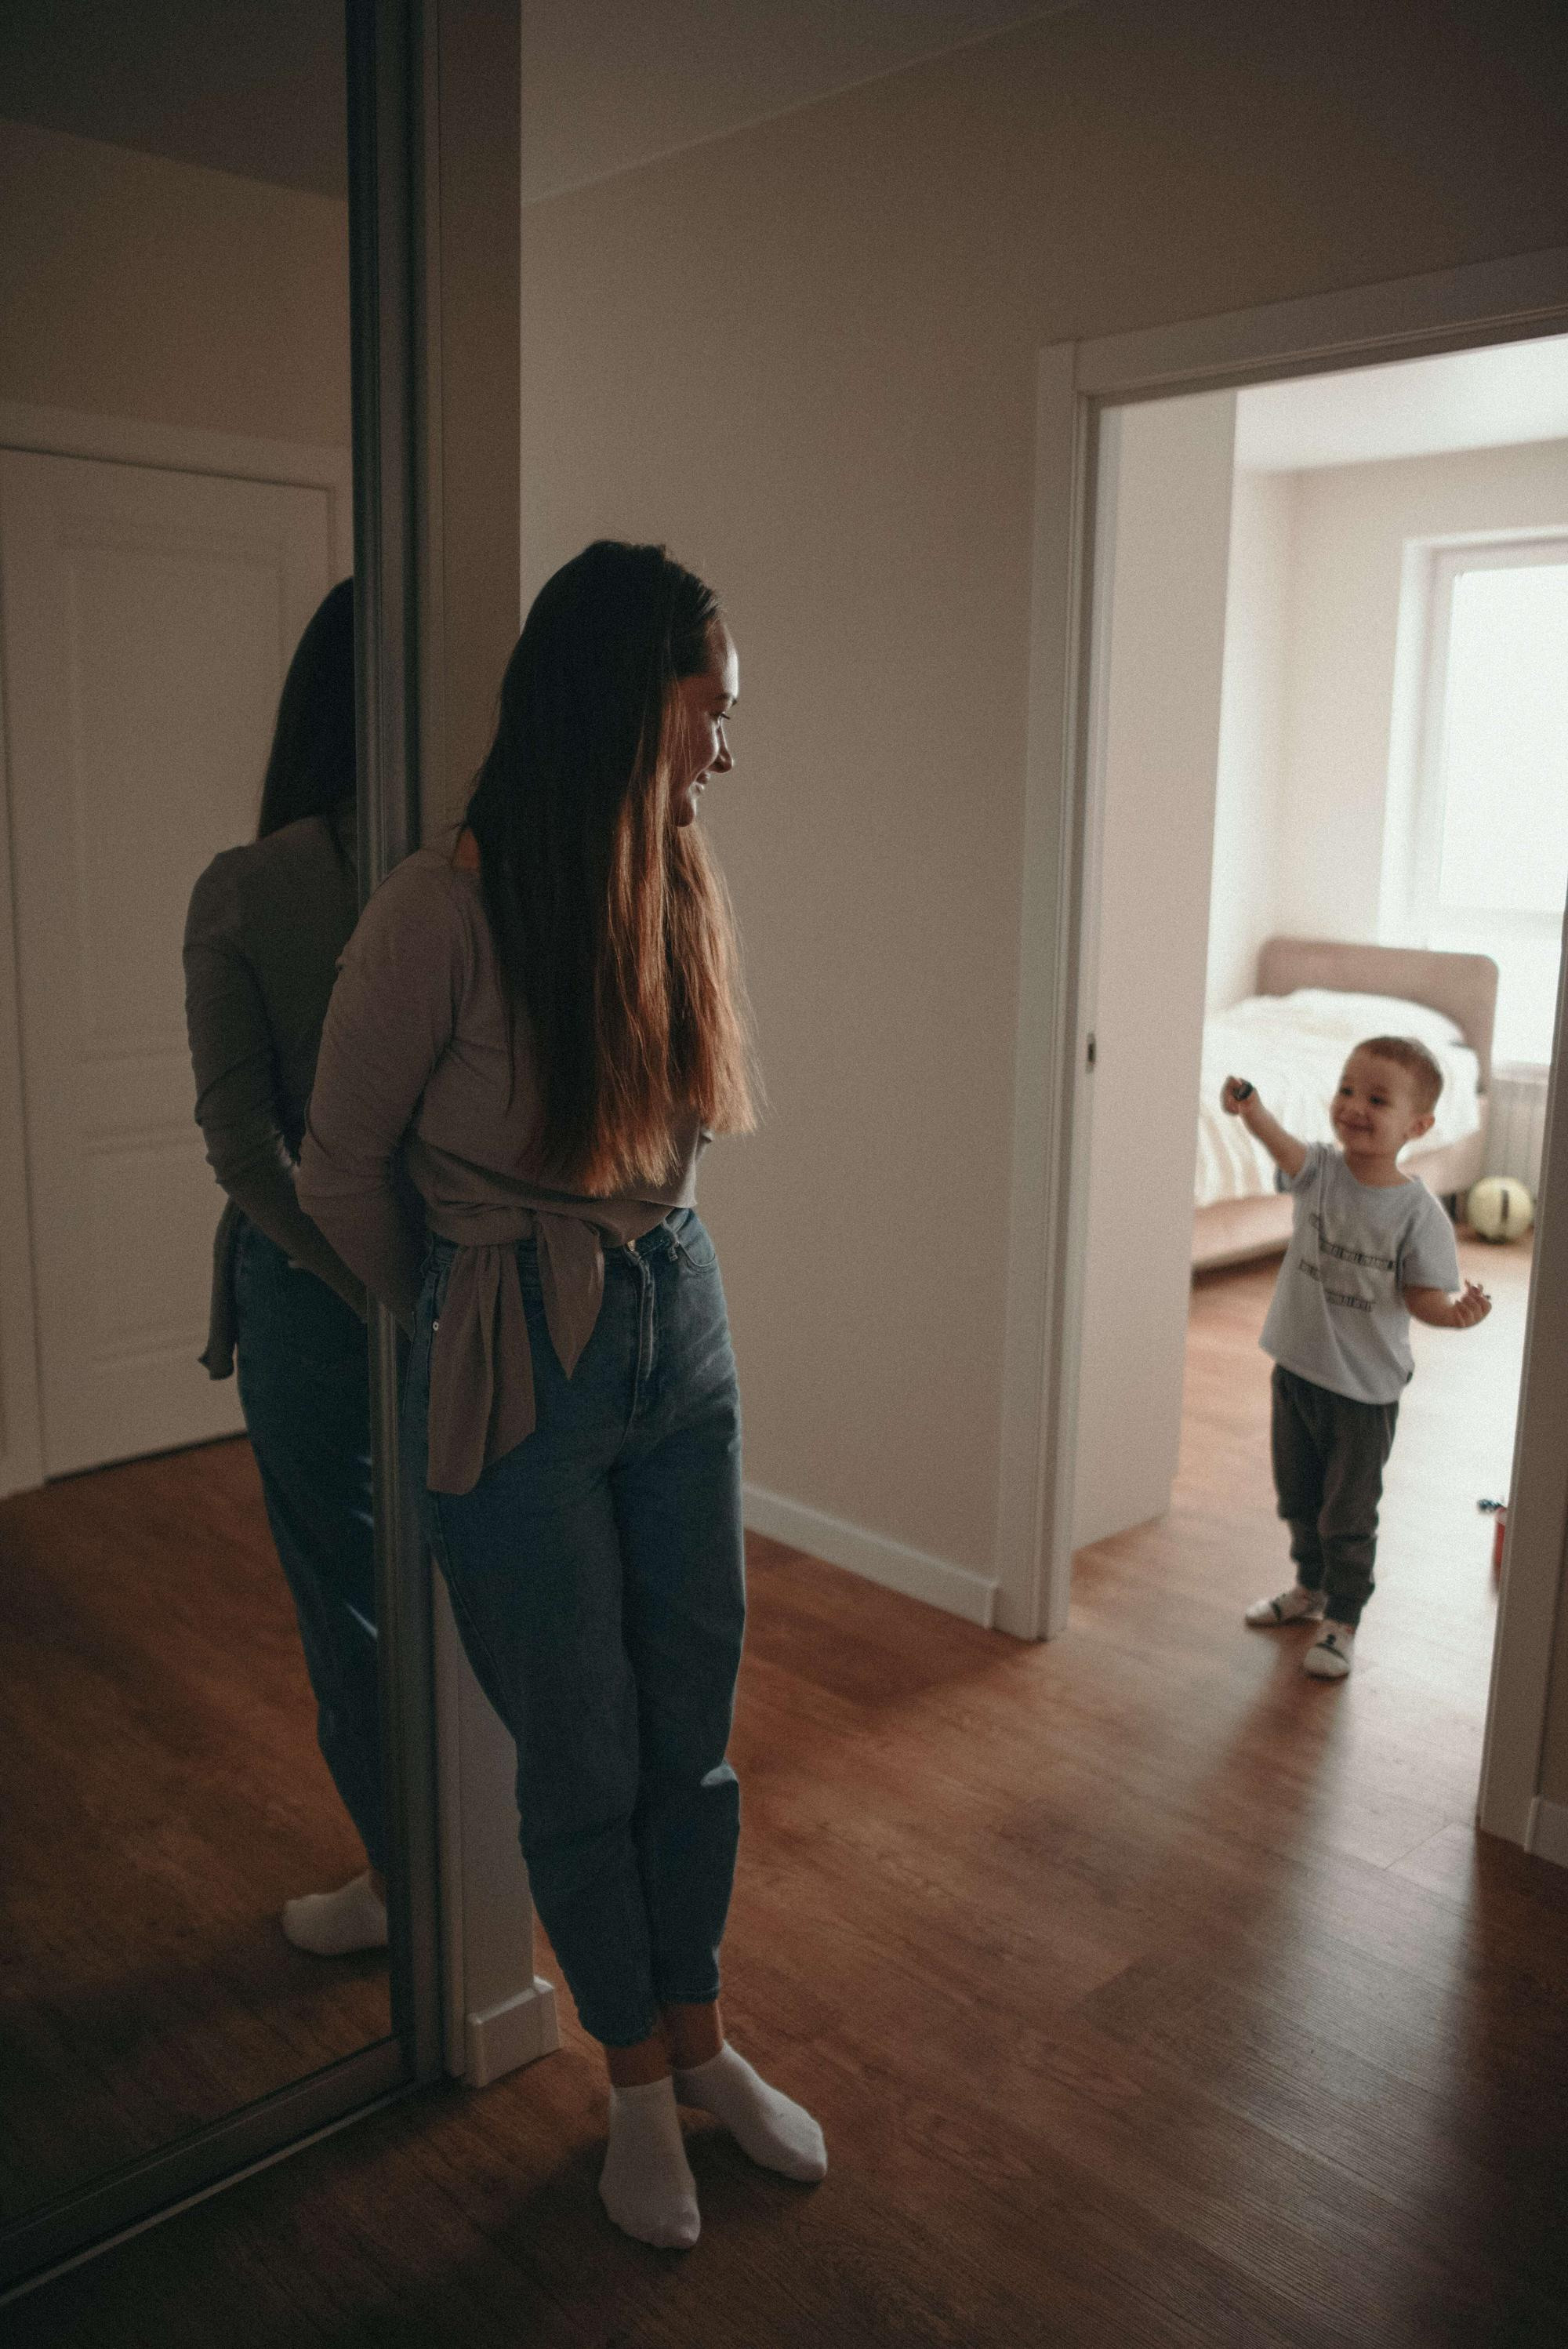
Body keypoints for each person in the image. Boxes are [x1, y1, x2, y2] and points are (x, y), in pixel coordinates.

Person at [297, 539, 826, 2249]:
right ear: (622, 701)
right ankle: (626, 2088)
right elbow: (337, 1174)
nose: (723, 752)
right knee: (584, 1748)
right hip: (513, 1348)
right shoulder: (430, 916)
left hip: (680, 1319)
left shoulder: (669, 876)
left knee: (695, 1723)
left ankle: (701, 2050)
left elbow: (666, 1140)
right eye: (707, 712)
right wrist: (451, 1304)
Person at [183, 578, 388, 1958]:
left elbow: (243, 1149)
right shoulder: (465, 869)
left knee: (352, 1605)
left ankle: (409, 1886)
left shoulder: (251, 887)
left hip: (323, 1302)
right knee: (436, 1597)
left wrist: (350, 1278)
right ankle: (440, 1884)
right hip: (430, 1282)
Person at [1221, 1036, 1491, 1679]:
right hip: (1296, 1371)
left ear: (1418, 1125)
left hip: (1364, 1395)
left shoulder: (1418, 1213)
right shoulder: (1317, 1170)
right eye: (1347, 1090)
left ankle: (1343, 1618)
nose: (1355, 1106)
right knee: (1299, 1497)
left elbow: (1422, 1295)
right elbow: (1281, 1145)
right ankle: (1309, 1590)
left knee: (1347, 1512)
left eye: (1377, 1098)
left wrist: (1453, 1316)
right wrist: (1252, 1107)